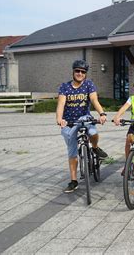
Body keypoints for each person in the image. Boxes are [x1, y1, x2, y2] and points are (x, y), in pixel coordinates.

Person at [56, 60, 108, 193]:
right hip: (69, 122)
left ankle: (95, 148)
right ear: (73, 72)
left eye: (83, 72)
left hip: (84, 118)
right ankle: (74, 181)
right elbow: (61, 104)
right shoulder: (64, 87)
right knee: (72, 152)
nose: (80, 74)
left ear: (85, 74)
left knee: (92, 132)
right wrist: (59, 119)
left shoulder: (89, 84)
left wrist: (101, 113)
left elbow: (94, 100)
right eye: (77, 71)